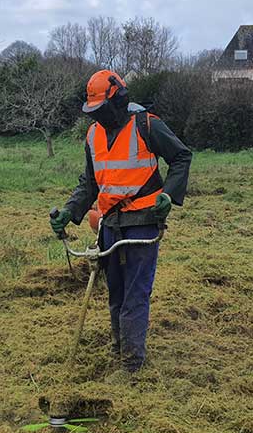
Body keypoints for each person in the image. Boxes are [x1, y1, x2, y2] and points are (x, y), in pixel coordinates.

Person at [50, 70, 192, 374]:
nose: (99, 117)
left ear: (119, 100)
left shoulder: (147, 124)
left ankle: (131, 364)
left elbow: (181, 157)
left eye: (103, 110)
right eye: (94, 112)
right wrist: (69, 211)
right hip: (109, 224)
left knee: (135, 293)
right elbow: (89, 183)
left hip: (142, 220)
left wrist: (168, 194)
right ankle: (119, 348)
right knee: (115, 290)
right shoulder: (93, 135)